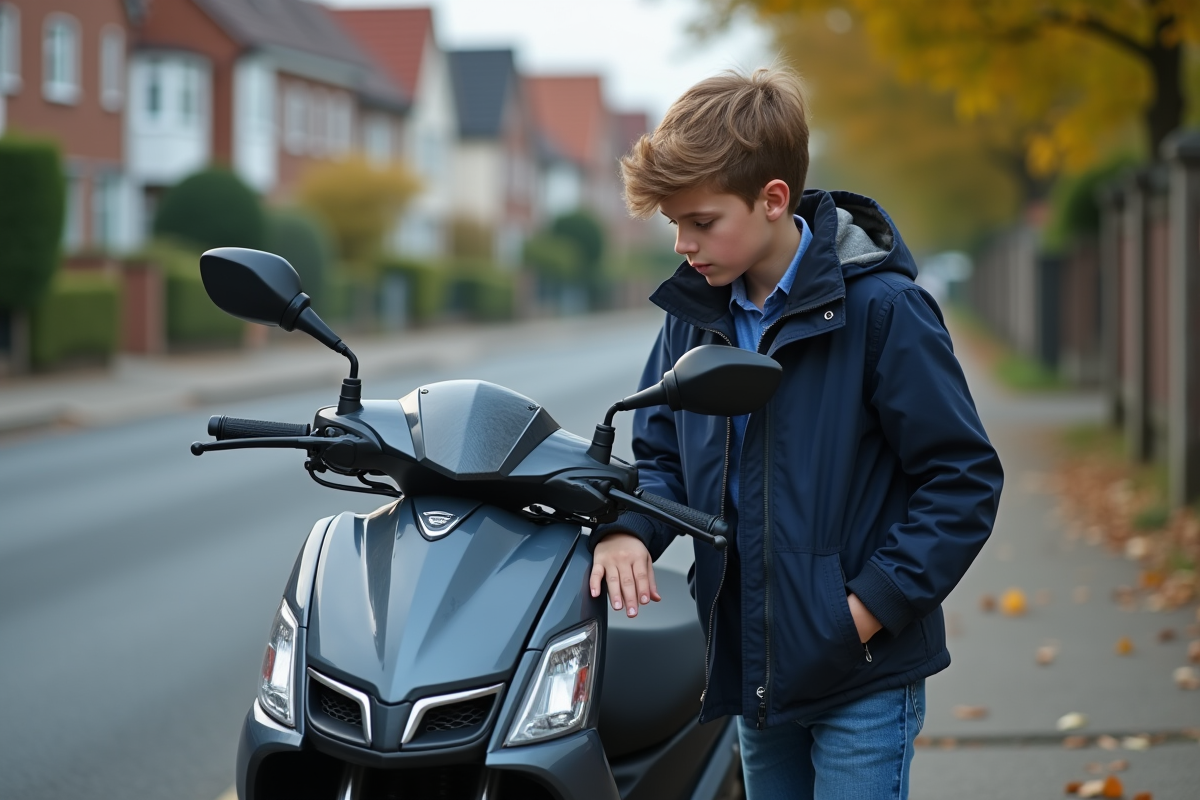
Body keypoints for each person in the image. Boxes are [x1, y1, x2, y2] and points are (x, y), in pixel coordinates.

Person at [587, 67, 1003, 799]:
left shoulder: (884, 312)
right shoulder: (693, 316)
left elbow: (962, 480)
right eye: (673, 224)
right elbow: (660, 456)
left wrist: (864, 613)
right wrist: (627, 530)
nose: (683, 243)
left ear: (773, 199)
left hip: (861, 675)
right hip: (753, 670)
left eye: (702, 221)